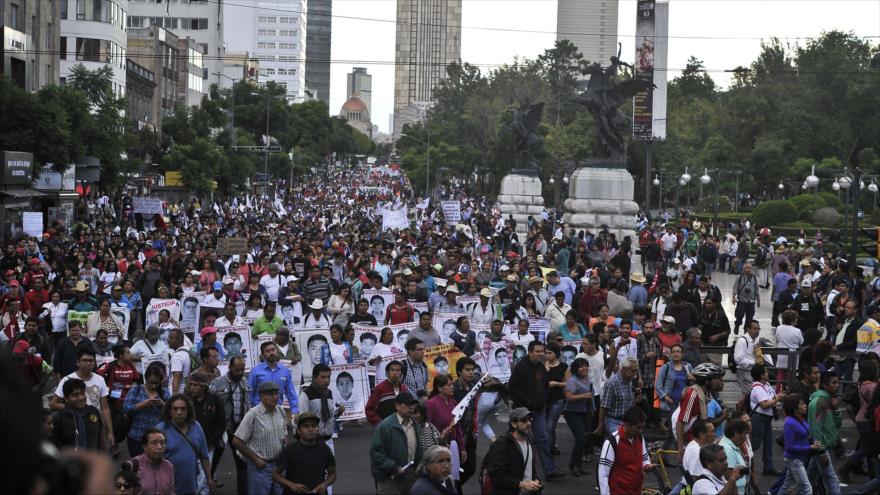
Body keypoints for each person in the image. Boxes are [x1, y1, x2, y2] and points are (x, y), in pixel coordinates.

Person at [508, 340, 566, 480]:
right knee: (517, 441)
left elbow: (545, 385)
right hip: (523, 412)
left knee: (543, 439)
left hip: (539, 411)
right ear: (530, 352)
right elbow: (512, 388)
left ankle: (550, 470)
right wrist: (527, 401)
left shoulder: (541, 366)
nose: (541, 354)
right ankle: (513, 471)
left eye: (542, 351)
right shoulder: (520, 367)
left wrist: (543, 399)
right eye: (538, 351)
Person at [50, 347, 115, 447]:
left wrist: (110, 432)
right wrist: (73, 409)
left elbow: (105, 408)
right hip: (72, 424)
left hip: (94, 423)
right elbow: (53, 404)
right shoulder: (67, 380)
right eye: (84, 360)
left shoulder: (100, 380)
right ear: (78, 362)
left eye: (91, 361)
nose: (88, 363)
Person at [232, 381, 289, 495]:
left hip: (278, 466)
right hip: (260, 467)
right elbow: (236, 441)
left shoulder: (280, 411)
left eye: (276, 393)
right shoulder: (253, 414)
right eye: (270, 394)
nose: (275, 397)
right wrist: (255, 459)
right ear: (261, 396)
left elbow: (284, 435)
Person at [157, 394, 216, 495]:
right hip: (166, 487)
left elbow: (204, 457)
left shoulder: (196, 427)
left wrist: (209, 479)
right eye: (175, 409)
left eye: (183, 409)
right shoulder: (160, 429)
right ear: (169, 411)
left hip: (190, 485)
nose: (179, 412)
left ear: (188, 411)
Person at [209, 355, 249, 494]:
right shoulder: (217, 383)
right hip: (221, 430)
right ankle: (205, 488)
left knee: (242, 463)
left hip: (239, 430)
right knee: (212, 461)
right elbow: (209, 406)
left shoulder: (244, 382)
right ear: (230, 367)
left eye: (242, 370)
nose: (240, 373)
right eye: (237, 370)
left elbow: (247, 404)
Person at [369, 392, 423, 495]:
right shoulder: (385, 426)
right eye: (407, 404)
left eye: (413, 404)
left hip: (410, 476)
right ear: (397, 406)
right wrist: (393, 467)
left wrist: (418, 469)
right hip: (390, 478)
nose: (411, 407)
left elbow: (418, 450)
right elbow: (376, 453)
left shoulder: (415, 425)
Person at [272, 412, 337, 495]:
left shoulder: (324, 448)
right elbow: (275, 474)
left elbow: (333, 474)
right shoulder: (290, 450)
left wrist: (324, 485)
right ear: (298, 430)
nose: (311, 429)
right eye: (306, 426)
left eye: (314, 426)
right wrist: (292, 485)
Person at [483, 407, 543, 495]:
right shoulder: (502, 445)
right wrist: (521, 484)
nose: (529, 423)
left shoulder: (530, 441)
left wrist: (536, 480)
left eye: (530, 420)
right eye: (524, 420)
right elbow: (496, 476)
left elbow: (530, 467)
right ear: (514, 424)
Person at [598, 406, 653, 495]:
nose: (641, 431)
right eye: (638, 428)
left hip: (636, 490)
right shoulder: (612, 442)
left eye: (643, 427)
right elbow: (603, 474)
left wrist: (646, 465)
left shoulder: (639, 437)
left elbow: (645, 458)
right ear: (626, 425)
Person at [97, 343, 139, 457]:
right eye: (127, 352)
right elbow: (97, 374)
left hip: (128, 399)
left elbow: (136, 380)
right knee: (115, 423)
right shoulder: (111, 365)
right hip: (113, 400)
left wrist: (131, 386)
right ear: (120, 355)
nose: (130, 355)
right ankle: (114, 444)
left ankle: (117, 441)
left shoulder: (130, 366)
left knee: (124, 424)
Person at [675, 362, 725, 460]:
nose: (721, 382)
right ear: (707, 381)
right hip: (690, 441)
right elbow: (680, 422)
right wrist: (680, 449)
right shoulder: (692, 395)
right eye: (717, 379)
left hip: (698, 439)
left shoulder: (705, 395)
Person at [841, 360, 879, 483]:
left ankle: (873, 476)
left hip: (861, 418)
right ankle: (845, 468)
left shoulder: (862, 383)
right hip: (867, 420)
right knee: (867, 449)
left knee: (868, 448)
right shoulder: (872, 387)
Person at [807, 371, 843, 495]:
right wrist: (821, 451)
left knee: (809, 478)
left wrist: (836, 408)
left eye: (838, 382)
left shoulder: (829, 401)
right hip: (822, 447)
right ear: (825, 384)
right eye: (834, 382)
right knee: (832, 479)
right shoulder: (818, 402)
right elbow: (815, 429)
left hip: (828, 444)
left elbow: (837, 424)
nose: (837, 385)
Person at [123, 361, 170, 457]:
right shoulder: (136, 390)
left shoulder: (164, 393)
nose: (153, 386)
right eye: (151, 383)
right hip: (136, 436)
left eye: (156, 383)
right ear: (145, 378)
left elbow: (172, 412)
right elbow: (126, 409)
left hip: (157, 438)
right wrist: (142, 405)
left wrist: (163, 405)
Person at [52, 378, 106, 451]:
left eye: (83, 393)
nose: (80, 398)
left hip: (93, 460)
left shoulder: (94, 411)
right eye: (75, 395)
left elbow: (101, 441)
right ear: (66, 398)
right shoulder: (58, 418)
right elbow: (55, 447)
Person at [779, 394, 817, 495]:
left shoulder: (801, 419)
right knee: (807, 488)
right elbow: (789, 446)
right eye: (802, 404)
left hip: (798, 459)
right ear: (794, 408)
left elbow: (808, 431)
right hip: (794, 460)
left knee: (787, 486)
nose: (805, 405)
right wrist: (809, 447)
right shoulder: (790, 423)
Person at [299, 364, 345, 448]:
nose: (326, 380)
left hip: (328, 441)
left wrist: (339, 412)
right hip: (312, 443)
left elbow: (330, 417)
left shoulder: (329, 393)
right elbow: (302, 421)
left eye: (328, 377)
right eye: (323, 377)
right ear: (315, 378)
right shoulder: (306, 395)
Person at [562, 357, 594, 477]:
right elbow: (568, 397)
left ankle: (578, 466)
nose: (584, 368)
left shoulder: (587, 379)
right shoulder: (572, 381)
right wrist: (584, 396)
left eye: (586, 365)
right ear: (576, 369)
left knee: (583, 440)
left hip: (584, 412)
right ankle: (573, 466)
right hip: (572, 413)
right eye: (581, 366)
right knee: (580, 439)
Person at [748, 363, 782, 475]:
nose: (768, 374)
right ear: (762, 375)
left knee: (769, 442)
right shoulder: (757, 388)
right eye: (766, 372)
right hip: (758, 418)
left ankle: (768, 466)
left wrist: (778, 397)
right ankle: (744, 463)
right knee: (755, 443)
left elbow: (771, 399)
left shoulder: (766, 385)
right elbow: (764, 404)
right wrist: (778, 398)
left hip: (766, 418)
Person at [248, 340, 298, 414]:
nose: (271, 353)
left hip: (278, 411)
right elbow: (250, 393)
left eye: (273, 350)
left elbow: (291, 392)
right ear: (263, 355)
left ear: (276, 351)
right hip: (259, 411)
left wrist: (295, 410)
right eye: (267, 351)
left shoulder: (284, 370)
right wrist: (251, 411)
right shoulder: (256, 371)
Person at [596, 357, 640, 436]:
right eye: (633, 371)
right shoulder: (612, 383)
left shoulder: (629, 380)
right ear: (624, 369)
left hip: (627, 421)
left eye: (636, 370)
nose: (635, 373)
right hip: (613, 421)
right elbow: (603, 407)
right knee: (620, 442)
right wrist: (601, 425)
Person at [125, 429, 175, 495]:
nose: (159, 447)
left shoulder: (169, 466)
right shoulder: (132, 466)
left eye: (162, 443)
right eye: (154, 443)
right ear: (144, 447)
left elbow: (171, 491)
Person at [367, 360, 410, 425]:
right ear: (387, 373)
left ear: (401, 373)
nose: (395, 373)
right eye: (392, 370)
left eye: (398, 370)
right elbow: (369, 409)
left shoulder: (404, 389)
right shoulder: (379, 388)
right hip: (385, 428)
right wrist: (380, 424)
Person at [544, 342, 568, 457]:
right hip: (543, 400)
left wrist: (556, 384)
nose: (547, 355)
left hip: (557, 400)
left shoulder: (563, 366)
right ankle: (551, 447)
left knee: (550, 426)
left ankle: (548, 453)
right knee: (544, 426)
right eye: (546, 353)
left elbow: (568, 384)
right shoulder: (542, 365)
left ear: (556, 353)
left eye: (549, 353)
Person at [168, 328, 191, 395]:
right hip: (186, 390)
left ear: (179, 340)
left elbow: (176, 377)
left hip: (180, 392)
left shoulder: (177, 356)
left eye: (171, 338)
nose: (168, 340)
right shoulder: (187, 350)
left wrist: (174, 397)